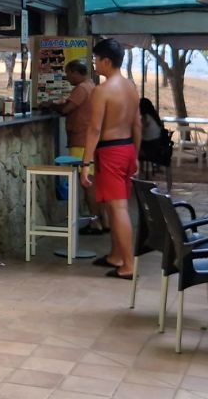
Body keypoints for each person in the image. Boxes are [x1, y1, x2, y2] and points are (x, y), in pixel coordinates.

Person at [80, 38, 142, 279]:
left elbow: (94, 129)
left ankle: (128, 265)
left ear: (107, 61)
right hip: (126, 149)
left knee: (118, 208)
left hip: (110, 151)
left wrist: (85, 164)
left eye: (96, 59)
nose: (94, 64)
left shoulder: (102, 91)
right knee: (115, 205)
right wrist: (135, 155)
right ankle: (117, 255)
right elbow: (137, 123)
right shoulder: (131, 88)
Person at [44, 60, 106, 234]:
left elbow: (67, 109)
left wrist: (51, 105)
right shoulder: (92, 86)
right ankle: (103, 220)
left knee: (87, 183)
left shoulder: (81, 89)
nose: (67, 77)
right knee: (93, 183)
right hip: (88, 140)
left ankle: (95, 222)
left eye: (68, 73)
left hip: (81, 141)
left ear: (74, 72)